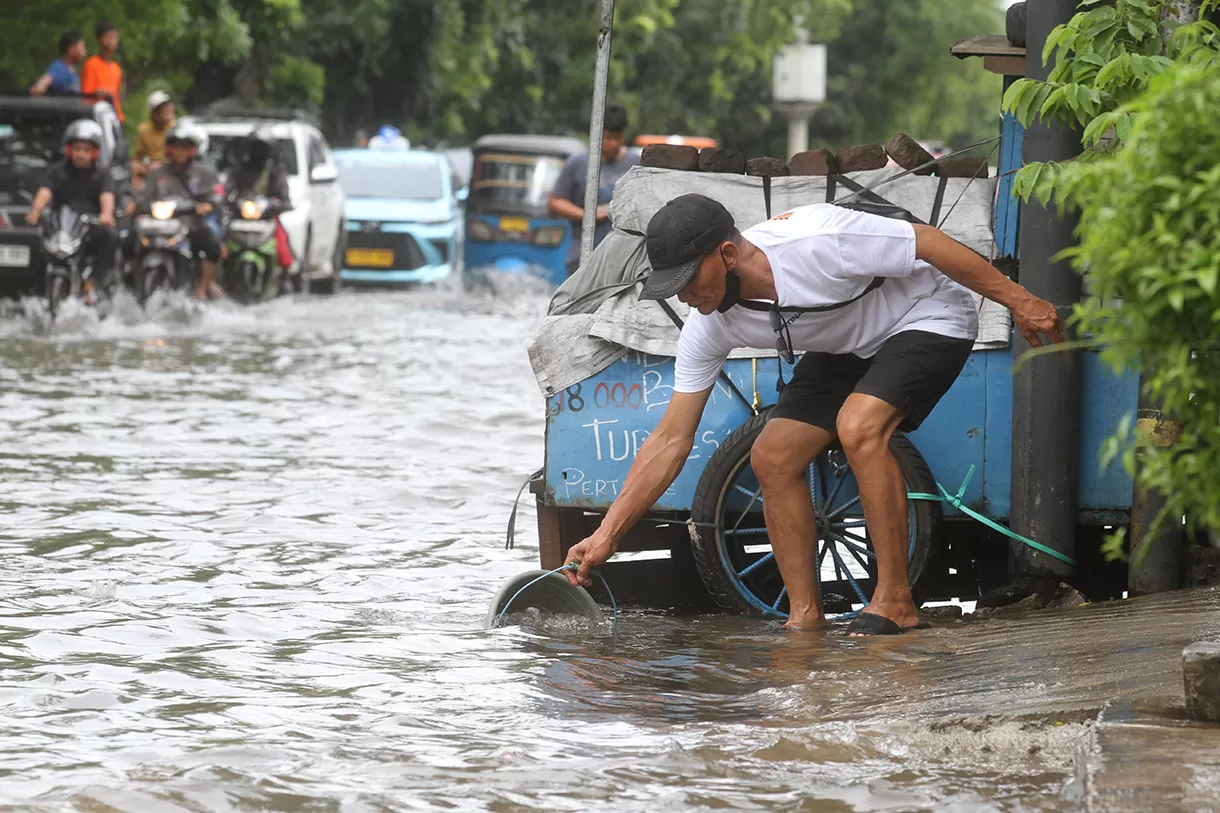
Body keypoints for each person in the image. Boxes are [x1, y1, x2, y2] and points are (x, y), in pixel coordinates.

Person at [561, 194, 1066, 635]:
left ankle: (896, 601)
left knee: (859, 426)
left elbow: (928, 243)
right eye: (672, 287)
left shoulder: (819, 241)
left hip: (927, 314)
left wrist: (1020, 301)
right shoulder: (709, 324)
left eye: (688, 280)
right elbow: (671, 438)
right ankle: (805, 616)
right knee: (772, 456)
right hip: (848, 344)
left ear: (728, 255)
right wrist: (607, 536)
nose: (684, 296)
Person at [23, 119, 120, 302]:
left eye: (86, 150)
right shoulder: (56, 171)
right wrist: (35, 212)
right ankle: (35, 291)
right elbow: (45, 192)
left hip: (89, 228)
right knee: (35, 241)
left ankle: (92, 283)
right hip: (61, 229)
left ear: (94, 152)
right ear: (69, 150)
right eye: (77, 149)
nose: (81, 154)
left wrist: (106, 215)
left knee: (111, 236)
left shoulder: (103, 175)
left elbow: (107, 197)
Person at [547, 102, 640, 276]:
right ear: (597, 134)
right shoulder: (578, 164)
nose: (613, 143)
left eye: (618, 137)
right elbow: (555, 202)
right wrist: (589, 215)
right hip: (583, 255)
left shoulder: (636, 164)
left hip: (624, 258)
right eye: (608, 137)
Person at [139, 121, 223, 300]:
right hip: (158, 226)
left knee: (212, 242)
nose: (180, 152)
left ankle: (204, 286)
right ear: (169, 149)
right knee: (128, 242)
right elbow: (144, 198)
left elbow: (216, 194)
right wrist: (136, 206)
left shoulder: (204, 173)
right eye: (176, 148)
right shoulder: (156, 173)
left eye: (184, 148)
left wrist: (207, 205)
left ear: (192, 151)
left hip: (190, 223)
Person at [224, 127, 295, 284]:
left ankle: (285, 278)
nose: (259, 152)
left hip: (266, 220)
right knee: (219, 244)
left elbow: (285, 198)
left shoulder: (276, 171)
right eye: (256, 148)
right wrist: (230, 202)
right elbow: (226, 191)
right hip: (239, 220)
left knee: (282, 247)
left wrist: (273, 205)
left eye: (263, 148)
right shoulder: (239, 170)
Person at [81, 20, 124, 122]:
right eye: (109, 37)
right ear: (99, 39)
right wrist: (101, 92)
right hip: (97, 116)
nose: (112, 41)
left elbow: (117, 97)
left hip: (115, 117)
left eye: (115, 38)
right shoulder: (91, 64)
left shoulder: (116, 68)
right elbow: (87, 94)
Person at [132, 90, 175, 189]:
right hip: (150, 170)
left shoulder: (174, 129)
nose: (168, 112)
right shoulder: (144, 129)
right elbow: (138, 156)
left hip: (170, 169)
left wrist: (160, 164)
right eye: (165, 109)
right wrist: (138, 167)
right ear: (155, 113)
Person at [29, 31, 86, 96]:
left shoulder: (73, 71)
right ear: (71, 49)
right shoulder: (59, 67)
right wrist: (38, 87)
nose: (84, 52)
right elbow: (44, 81)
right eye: (82, 48)